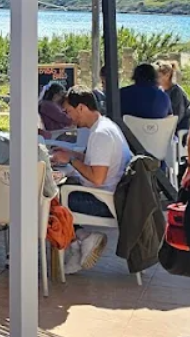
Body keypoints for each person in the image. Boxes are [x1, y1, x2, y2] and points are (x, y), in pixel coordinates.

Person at [55, 86, 133, 271]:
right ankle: (79, 242)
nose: (69, 117)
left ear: (81, 107)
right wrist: (72, 154)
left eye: (69, 111)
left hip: (103, 202)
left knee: (49, 200)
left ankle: (80, 240)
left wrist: (71, 160)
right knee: (60, 190)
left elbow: (97, 178)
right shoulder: (106, 126)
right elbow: (98, 163)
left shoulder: (100, 134)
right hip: (113, 195)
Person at [157, 61, 190, 132]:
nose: (156, 79)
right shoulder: (161, 90)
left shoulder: (176, 92)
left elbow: (177, 115)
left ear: (167, 76)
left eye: (158, 76)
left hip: (179, 129)